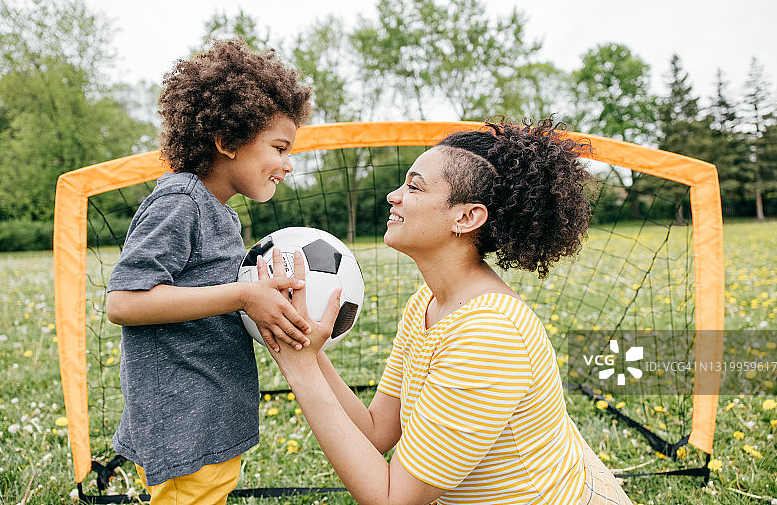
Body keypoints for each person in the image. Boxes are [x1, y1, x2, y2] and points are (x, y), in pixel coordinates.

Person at [264, 118, 634, 504]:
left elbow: (394, 500)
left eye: (414, 186)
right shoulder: (428, 303)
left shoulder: (490, 335)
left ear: (466, 217)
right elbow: (375, 432)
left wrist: (299, 366)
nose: (394, 195)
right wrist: (304, 340)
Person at [105, 38, 313, 504]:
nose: (288, 164)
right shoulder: (180, 200)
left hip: (210, 417)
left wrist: (261, 295)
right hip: (182, 423)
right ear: (227, 141)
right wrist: (242, 296)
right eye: (279, 147)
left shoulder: (222, 213)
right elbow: (123, 302)